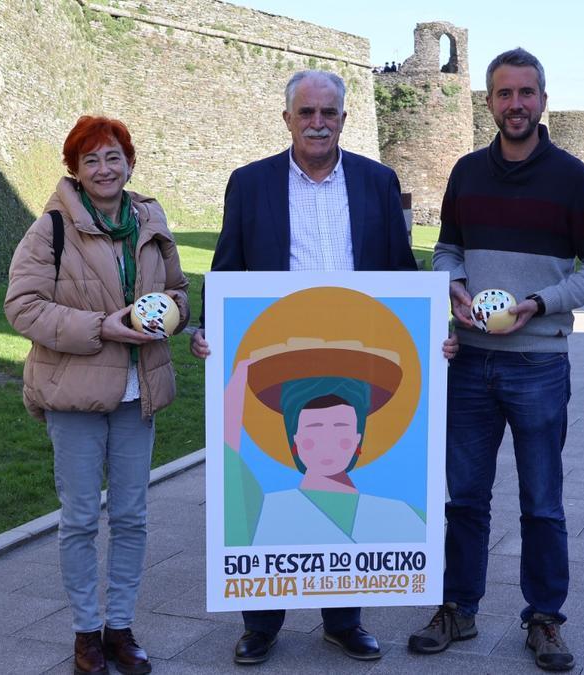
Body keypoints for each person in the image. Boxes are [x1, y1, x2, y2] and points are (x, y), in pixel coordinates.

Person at [189, 69, 454, 666]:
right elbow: (227, 270)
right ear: (286, 119)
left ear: (343, 119)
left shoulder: (377, 182)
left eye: (327, 113)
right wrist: (213, 332)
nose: (316, 123)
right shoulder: (250, 183)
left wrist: (431, 333)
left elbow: (398, 273)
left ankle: (343, 620)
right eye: (305, 113)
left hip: (356, 353)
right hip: (283, 352)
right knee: (276, 471)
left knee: (345, 481)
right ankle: (261, 622)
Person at [406, 47, 584, 673]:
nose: (515, 104)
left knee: (542, 500)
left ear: (542, 100)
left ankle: (545, 619)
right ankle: (457, 607)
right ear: (489, 102)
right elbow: (446, 249)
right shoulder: (467, 172)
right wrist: (451, 283)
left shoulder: (573, 176)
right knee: (464, 497)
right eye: (504, 94)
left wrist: (540, 302)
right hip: (469, 360)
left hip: (538, 362)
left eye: (527, 93)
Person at [4, 115, 189, 675]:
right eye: (91, 161)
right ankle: (87, 632)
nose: (104, 169)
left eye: (113, 157)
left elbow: (178, 291)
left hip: (140, 392)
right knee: (82, 518)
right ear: (75, 170)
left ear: (129, 162)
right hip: (74, 393)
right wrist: (102, 326)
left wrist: (171, 317)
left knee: (131, 516)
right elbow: (22, 307)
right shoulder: (51, 229)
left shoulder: (151, 221)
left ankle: (121, 628)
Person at [222, 340, 426, 546]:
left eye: (340, 426)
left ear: (358, 439)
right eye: (315, 427)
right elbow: (226, 454)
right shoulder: (264, 513)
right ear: (296, 440)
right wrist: (239, 377)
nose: (327, 442)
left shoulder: (406, 516)